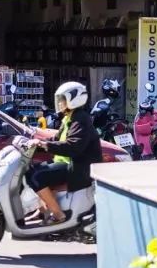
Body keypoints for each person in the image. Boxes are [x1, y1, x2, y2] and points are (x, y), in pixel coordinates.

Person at [27, 81, 103, 225]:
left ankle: (58, 215)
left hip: (78, 167)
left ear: (73, 99)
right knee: (32, 170)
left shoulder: (81, 119)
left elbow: (73, 146)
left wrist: (46, 145)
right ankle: (42, 211)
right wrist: (35, 144)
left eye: (62, 99)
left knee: (36, 176)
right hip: (65, 162)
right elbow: (56, 139)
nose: (60, 103)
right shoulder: (69, 117)